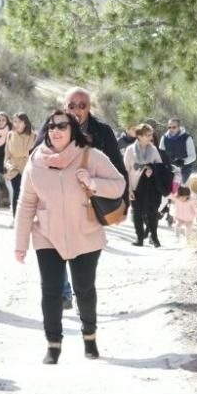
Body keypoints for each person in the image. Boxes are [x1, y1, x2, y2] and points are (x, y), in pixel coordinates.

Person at [15, 109, 126, 364]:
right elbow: (25, 204)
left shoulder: (91, 156)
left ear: (72, 130)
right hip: (46, 235)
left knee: (84, 289)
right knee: (51, 291)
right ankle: (53, 345)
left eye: (62, 126)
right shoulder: (36, 161)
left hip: (85, 234)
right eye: (51, 126)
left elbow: (119, 184)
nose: (55, 130)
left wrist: (93, 182)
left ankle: (89, 336)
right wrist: (20, 244)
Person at [34, 87, 129, 306]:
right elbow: (35, 157)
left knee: (83, 250)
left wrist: (123, 204)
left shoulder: (102, 131)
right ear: (64, 107)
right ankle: (64, 292)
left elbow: (118, 168)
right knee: (56, 246)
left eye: (82, 106)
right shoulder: (51, 126)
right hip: (57, 201)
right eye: (71, 105)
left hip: (88, 204)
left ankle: (80, 294)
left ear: (89, 108)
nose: (77, 110)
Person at [124, 123, 169, 248]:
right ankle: (139, 239)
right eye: (148, 135)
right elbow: (125, 171)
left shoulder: (153, 149)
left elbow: (160, 167)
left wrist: (151, 168)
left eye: (151, 134)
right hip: (136, 185)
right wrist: (129, 190)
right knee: (137, 212)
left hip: (151, 185)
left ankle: (154, 238)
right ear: (139, 136)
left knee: (152, 212)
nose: (150, 137)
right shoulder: (130, 150)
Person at [4, 112, 35, 223]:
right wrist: (8, 166)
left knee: (27, 194)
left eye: (19, 121)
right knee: (17, 192)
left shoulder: (33, 135)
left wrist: (22, 155)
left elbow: (29, 153)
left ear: (25, 123)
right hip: (14, 168)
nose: (16, 124)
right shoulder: (10, 134)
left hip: (28, 168)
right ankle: (15, 218)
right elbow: (7, 154)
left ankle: (27, 219)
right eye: (15, 121)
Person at [160, 118, 197, 182]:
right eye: (169, 127)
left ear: (179, 127)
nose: (171, 129)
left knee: (179, 189)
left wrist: (182, 162)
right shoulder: (164, 138)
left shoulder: (187, 138)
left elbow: (193, 156)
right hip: (170, 168)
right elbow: (161, 154)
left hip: (185, 169)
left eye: (174, 127)